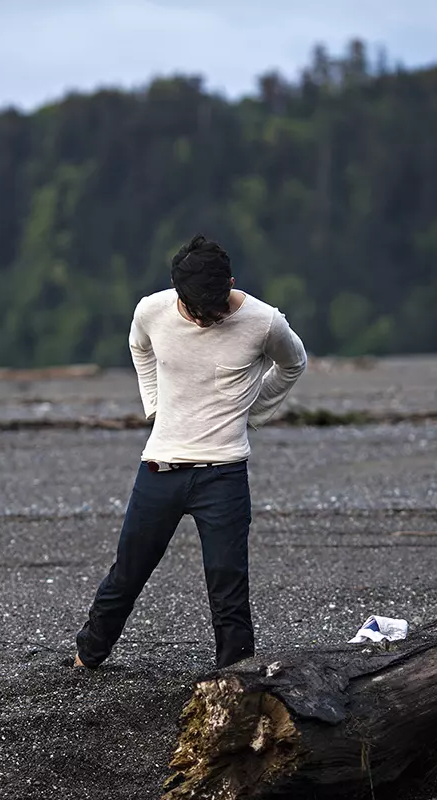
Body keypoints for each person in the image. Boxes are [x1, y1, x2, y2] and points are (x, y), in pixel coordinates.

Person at [75, 234, 307, 670]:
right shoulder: (152, 310)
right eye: (195, 310)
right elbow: (138, 346)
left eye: (213, 310)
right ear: (177, 291)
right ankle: (86, 658)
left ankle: (237, 682)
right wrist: (154, 403)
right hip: (160, 469)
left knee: (228, 589)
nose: (204, 320)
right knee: (126, 575)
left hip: (224, 475)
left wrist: (253, 411)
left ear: (231, 284)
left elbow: (294, 362)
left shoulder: (265, 322)